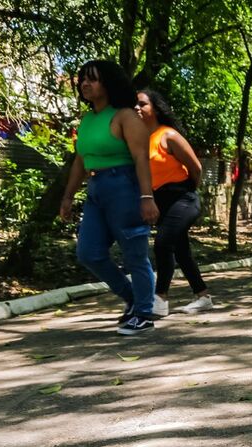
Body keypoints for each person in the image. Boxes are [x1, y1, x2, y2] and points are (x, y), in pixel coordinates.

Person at [60, 60, 159, 335]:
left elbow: (141, 158)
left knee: (135, 254)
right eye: (82, 79)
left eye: (92, 79)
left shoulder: (125, 116)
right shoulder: (87, 120)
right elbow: (80, 160)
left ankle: (144, 314)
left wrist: (147, 197)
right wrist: (67, 197)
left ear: (108, 83)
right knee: (88, 253)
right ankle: (132, 298)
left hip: (124, 186)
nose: (85, 84)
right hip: (96, 188)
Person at [135, 89, 212, 315]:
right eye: (134, 105)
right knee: (181, 251)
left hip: (183, 199)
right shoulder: (140, 140)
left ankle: (160, 299)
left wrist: (188, 189)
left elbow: (196, 167)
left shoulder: (168, 135)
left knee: (162, 244)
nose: (137, 108)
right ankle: (203, 296)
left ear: (156, 109)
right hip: (162, 203)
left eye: (142, 104)